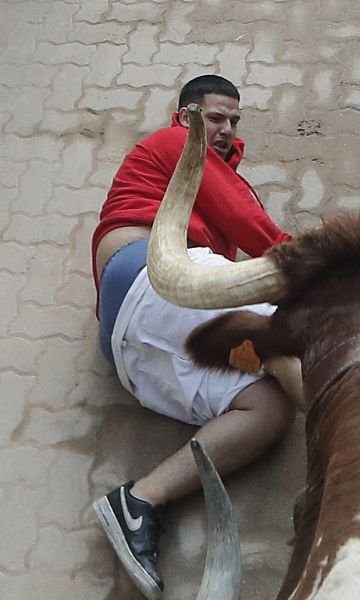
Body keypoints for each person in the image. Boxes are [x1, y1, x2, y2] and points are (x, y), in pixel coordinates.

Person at [90, 74, 304, 600]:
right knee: (288, 338)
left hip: (128, 341)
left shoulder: (211, 180)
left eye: (234, 121)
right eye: (216, 117)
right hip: (147, 272)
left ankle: (139, 501)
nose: (227, 129)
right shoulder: (175, 144)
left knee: (268, 410)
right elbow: (257, 232)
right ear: (186, 116)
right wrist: (332, 269)